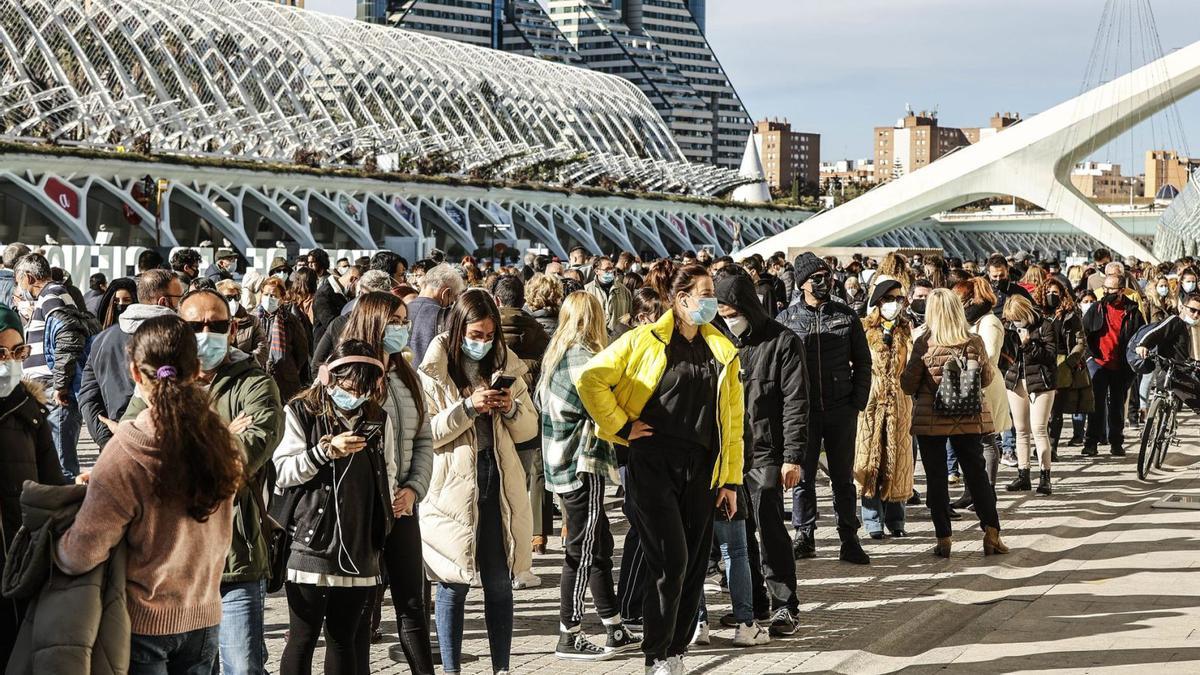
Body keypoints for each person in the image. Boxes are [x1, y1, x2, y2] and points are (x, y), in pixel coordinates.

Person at [577, 264, 744, 675]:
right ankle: (656, 655)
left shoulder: (722, 349)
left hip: (702, 468)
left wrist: (731, 480)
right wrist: (619, 424)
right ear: (681, 298)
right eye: (704, 292)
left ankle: (676, 651)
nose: (711, 300)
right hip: (651, 462)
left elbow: (735, 421)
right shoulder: (643, 340)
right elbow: (589, 379)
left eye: (713, 293)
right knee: (669, 561)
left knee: (692, 565)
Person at [56, 315, 244, 674]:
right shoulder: (221, 440)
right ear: (197, 369)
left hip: (142, 624)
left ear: (135, 373)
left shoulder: (127, 448)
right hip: (204, 615)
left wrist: (57, 544)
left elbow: (81, 554)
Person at [124, 288, 284, 675]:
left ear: (233, 329)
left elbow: (242, 461)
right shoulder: (156, 382)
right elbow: (133, 452)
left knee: (242, 668)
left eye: (218, 324)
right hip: (168, 564)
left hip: (234, 560)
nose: (207, 333)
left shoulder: (255, 383)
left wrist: (178, 451)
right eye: (196, 325)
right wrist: (223, 434)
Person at [417, 289, 540, 675]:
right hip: (451, 486)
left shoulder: (507, 365)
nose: (481, 343)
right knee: (452, 583)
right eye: (475, 335)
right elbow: (429, 432)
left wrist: (511, 408)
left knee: (500, 582)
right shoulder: (433, 370)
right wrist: (468, 408)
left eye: (488, 336)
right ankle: (451, 668)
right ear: (458, 331)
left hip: (497, 478)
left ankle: (500, 667)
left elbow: (529, 429)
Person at [272, 341, 392, 675]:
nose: (355, 396)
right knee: (303, 636)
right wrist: (324, 452)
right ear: (328, 377)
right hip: (310, 539)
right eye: (349, 387)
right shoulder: (300, 411)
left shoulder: (378, 418)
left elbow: (389, 470)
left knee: (344, 636)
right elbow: (283, 471)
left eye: (364, 390)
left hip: (358, 543)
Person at [538, 292, 641, 661]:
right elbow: (604, 410)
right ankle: (570, 633)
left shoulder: (556, 356)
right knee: (582, 551)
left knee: (597, 546)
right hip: (583, 463)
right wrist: (632, 428)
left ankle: (613, 625)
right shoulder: (586, 359)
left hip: (558, 464)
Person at [337, 293, 435, 674]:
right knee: (362, 609)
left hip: (403, 506)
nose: (402, 327)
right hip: (363, 510)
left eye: (403, 320)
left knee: (412, 604)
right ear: (373, 321)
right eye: (394, 320)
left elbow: (423, 439)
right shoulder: (348, 373)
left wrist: (413, 488)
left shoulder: (407, 375)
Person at [714, 269, 806, 637]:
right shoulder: (717, 341)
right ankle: (752, 603)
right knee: (738, 532)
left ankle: (785, 603)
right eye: (720, 312)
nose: (727, 319)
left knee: (770, 528)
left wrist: (794, 456)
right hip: (729, 453)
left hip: (768, 450)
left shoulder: (783, 342)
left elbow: (797, 402)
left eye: (731, 311)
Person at [776, 252, 872, 564]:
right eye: (815, 278)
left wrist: (857, 401)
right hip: (803, 411)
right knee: (802, 478)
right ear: (801, 282)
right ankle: (804, 535)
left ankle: (849, 536)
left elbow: (863, 362)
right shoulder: (787, 320)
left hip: (840, 408)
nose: (823, 282)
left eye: (825, 276)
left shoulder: (845, 316)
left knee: (842, 478)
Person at [901, 289, 1008, 559]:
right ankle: (992, 532)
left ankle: (944, 538)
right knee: (977, 475)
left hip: (931, 420)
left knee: (936, 479)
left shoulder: (924, 342)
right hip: (969, 417)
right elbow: (985, 379)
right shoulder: (973, 341)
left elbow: (908, 384)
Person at [0, 305, 69, 667]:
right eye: (0, 352)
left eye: (17, 352)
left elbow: (52, 486)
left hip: (22, 565)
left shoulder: (30, 411)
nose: (9, 362)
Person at [79, 269, 182, 450]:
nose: (181, 303)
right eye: (179, 297)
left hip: (118, 444)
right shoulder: (179, 336)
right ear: (164, 301)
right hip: (166, 445)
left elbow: (87, 398)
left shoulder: (103, 338)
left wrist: (109, 439)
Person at [15, 252, 95, 478]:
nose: (19, 286)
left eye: (19, 279)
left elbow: (68, 339)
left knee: (61, 463)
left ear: (29, 278)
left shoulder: (51, 295)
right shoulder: (52, 296)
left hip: (54, 387)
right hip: (49, 386)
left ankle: (65, 510)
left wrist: (60, 384)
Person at [492, 275, 554, 555]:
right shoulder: (538, 332)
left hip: (493, 412)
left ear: (497, 300)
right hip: (530, 410)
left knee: (497, 478)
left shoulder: (488, 330)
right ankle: (535, 537)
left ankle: (498, 540)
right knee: (534, 472)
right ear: (523, 300)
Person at [854, 279, 915, 539]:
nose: (895, 304)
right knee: (870, 459)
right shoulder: (864, 329)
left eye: (899, 299)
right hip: (871, 402)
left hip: (900, 402)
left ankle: (896, 518)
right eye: (890, 298)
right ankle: (872, 519)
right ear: (878, 301)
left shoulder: (906, 329)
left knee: (898, 458)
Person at [950, 278, 1012, 507]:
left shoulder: (989, 322)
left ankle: (987, 491)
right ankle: (971, 492)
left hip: (985, 385)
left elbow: (990, 355)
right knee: (969, 443)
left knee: (986, 440)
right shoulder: (971, 322)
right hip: (969, 385)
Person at [999, 295, 1059, 495]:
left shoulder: (1045, 326)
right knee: (1020, 429)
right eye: (1011, 318)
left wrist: (1029, 344)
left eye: (1018, 317)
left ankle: (1045, 476)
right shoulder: (1008, 327)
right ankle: (1023, 474)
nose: (1015, 321)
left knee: (1039, 428)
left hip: (1041, 382)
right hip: (1016, 380)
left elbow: (1050, 356)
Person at [1082, 274, 1144, 457]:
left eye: (1111, 289)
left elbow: (1140, 335)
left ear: (1122, 291)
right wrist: (1089, 356)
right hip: (1098, 362)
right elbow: (1084, 331)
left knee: (1117, 405)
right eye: (1105, 288)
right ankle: (1091, 443)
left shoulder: (1133, 312)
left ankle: (1116, 442)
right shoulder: (1097, 308)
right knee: (1096, 405)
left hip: (1121, 365)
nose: (1106, 292)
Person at [1037, 277, 1090, 462]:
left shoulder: (1070, 315)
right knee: (1040, 410)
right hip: (1040, 362)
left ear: (1062, 294)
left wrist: (1070, 361)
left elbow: (1080, 342)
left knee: (1056, 410)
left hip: (1062, 364)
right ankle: (1041, 445)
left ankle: (1052, 446)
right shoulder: (1037, 313)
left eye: (1056, 293)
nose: (1052, 296)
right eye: (1049, 292)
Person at [254, 275, 312, 403]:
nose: (269, 298)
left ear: (281, 298)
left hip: (285, 379)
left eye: (274, 295)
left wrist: (289, 367)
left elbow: (301, 351)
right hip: (258, 376)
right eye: (266, 294)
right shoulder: (253, 318)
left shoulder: (290, 320)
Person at [407, 263, 466, 365]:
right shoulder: (447, 316)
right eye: (453, 298)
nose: (452, 303)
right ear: (445, 293)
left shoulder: (401, 310)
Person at [312, 263, 360, 346]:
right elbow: (333, 326)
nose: (358, 291)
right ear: (352, 279)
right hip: (327, 351)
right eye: (358, 286)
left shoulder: (346, 294)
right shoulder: (324, 294)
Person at [585, 255, 633, 337]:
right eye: (607, 269)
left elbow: (630, 315)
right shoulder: (587, 291)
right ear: (597, 271)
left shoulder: (624, 291)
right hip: (596, 339)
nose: (611, 271)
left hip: (618, 340)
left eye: (612, 268)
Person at [217, 279, 266, 357]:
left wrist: (244, 362)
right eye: (228, 298)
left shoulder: (252, 321)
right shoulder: (213, 322)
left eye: (236, 297)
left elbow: (262, 350)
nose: (233, 301)